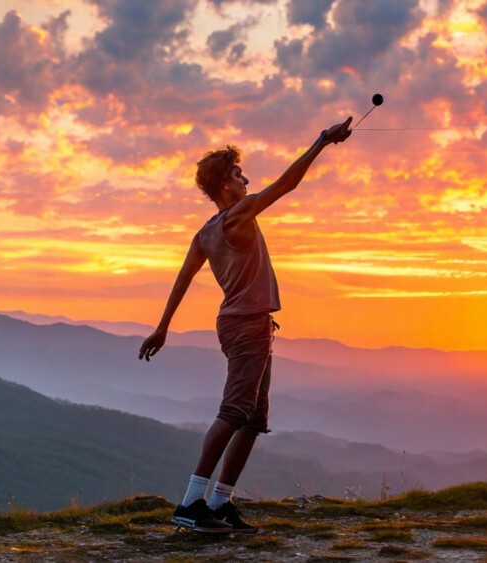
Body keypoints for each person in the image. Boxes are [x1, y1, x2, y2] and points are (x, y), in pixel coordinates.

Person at [138, 116, 353, 532]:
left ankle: (219, 503)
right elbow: (287, 184)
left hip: (246, 324)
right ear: (225, 186)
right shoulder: (239, 215)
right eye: (239, 174)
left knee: (253, 420)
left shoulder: (205, 233)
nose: (247, 179)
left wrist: (163, 328)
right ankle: (189, 504)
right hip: (247, 325)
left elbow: (182, 280)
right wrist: (322, 141)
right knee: (235, 412)